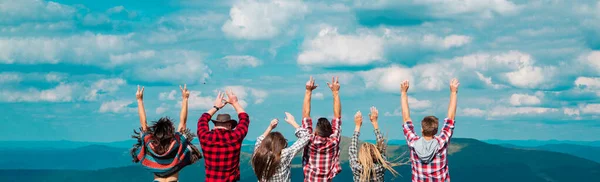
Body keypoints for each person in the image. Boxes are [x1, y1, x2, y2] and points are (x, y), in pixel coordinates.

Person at [130, 85, 202, 182]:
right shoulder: (176, 144)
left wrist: (139, 100)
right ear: (170, 132)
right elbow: (183, 123)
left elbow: (144, 124)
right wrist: (185, 98)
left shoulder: (151, 145)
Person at [401, 79, 459, 182]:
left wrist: (403, 92)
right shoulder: (442, 142)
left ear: (422, 129)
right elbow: (451, 117)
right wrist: (453, 92)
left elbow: (406, 119)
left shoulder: (413, 142)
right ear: (436, 131)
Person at [197, 89, 249, 182]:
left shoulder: (205, 137)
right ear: (229, 125)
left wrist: (216, 107)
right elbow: (244, 118)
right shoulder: (235, 137)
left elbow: (202, 119)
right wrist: (235, 103)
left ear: (215, 124)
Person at [302, 76, 342, 182]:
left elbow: (306, 115)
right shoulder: (334, 141)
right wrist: (335, 92)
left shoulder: (309, 140)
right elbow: (337, 116)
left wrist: (308, 91)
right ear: (330, 132)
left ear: (315, 131)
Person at [252, 112, 311, 182]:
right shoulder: (283, 155)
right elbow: (306, 136)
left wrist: (270, 127)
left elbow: (259, 141)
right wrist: (293, 122)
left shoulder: (257, 154)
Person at [349, 107, 399, 182]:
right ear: (376, 154)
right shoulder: (381, 166)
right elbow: (382, 147)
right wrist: (375, 122)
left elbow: (352, 149)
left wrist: (357, 125)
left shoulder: (356, 168)